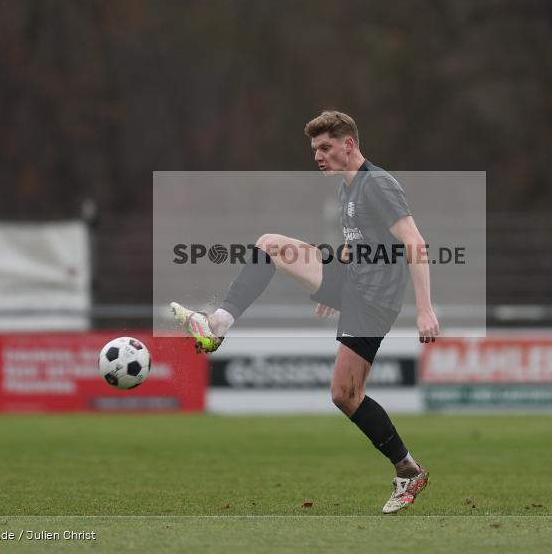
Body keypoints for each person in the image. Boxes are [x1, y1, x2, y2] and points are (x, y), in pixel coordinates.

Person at [170, 110, 439, 514]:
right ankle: (218, 323)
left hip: (374, 300)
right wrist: (331, 285)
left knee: (344, 395)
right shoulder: (347, 189)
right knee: (270, 244)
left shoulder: (377, 185)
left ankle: (408, 470)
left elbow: (415, 243)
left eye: (325, 147)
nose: (317, 156)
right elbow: (361, 243)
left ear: (349, 145)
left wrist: (425, 309)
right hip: (352, 283)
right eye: (314, 149)